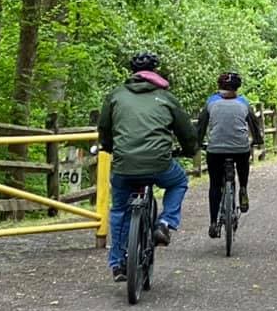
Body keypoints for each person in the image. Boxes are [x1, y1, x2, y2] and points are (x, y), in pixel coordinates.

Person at [98, 52, 197, 282]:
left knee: (120, 210)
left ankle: (118, 264)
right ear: (155, 72)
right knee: (179, 181)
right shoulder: (166, 98)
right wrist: (190, 149)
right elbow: (185, 131)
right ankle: (165, 222)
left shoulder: (116, 96)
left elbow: (104, 128)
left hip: (124, 165)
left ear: (132, 73)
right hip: (159, 164)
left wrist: (109, 146)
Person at [196, 71, 263, 239]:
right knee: (243, 162)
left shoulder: (211, 102)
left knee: (214, 184)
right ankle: (243, 189)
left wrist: (197, 143)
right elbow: (254, 124)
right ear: (237, 88)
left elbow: (201, 125)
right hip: (240, 148)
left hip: (216, 149)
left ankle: (213, 223)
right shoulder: (243, 102)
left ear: (219, 86)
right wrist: (257, 140)